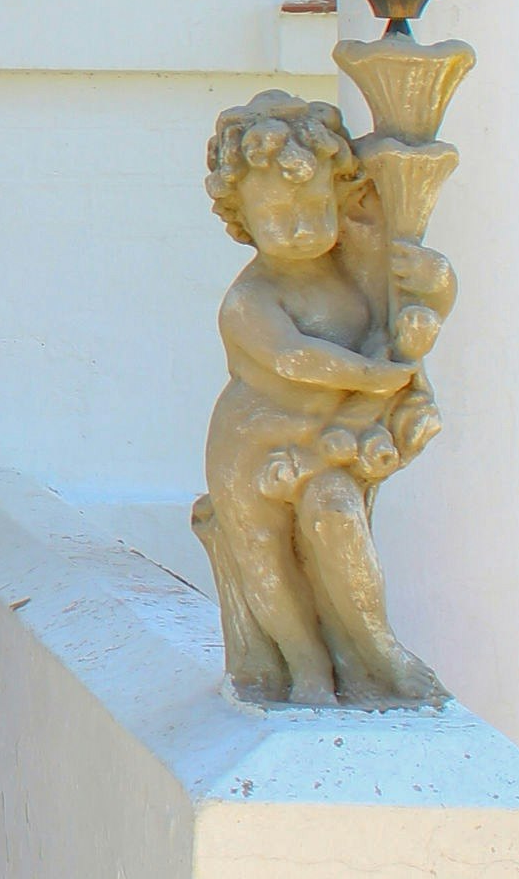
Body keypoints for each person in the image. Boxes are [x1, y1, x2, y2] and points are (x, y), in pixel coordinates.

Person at [191, 91, 449, 708]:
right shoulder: (249, 300)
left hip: (329, 442)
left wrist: (435, 283)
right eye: (278, 212)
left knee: (337, 519)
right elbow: (294, 358)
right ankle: (304, 666)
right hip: (250, 449)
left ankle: (378, 650)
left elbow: (416, 302)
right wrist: (371, 375)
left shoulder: (356, 266)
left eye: (313, 206)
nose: (302, 225)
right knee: (266, 561)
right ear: (241, 218)